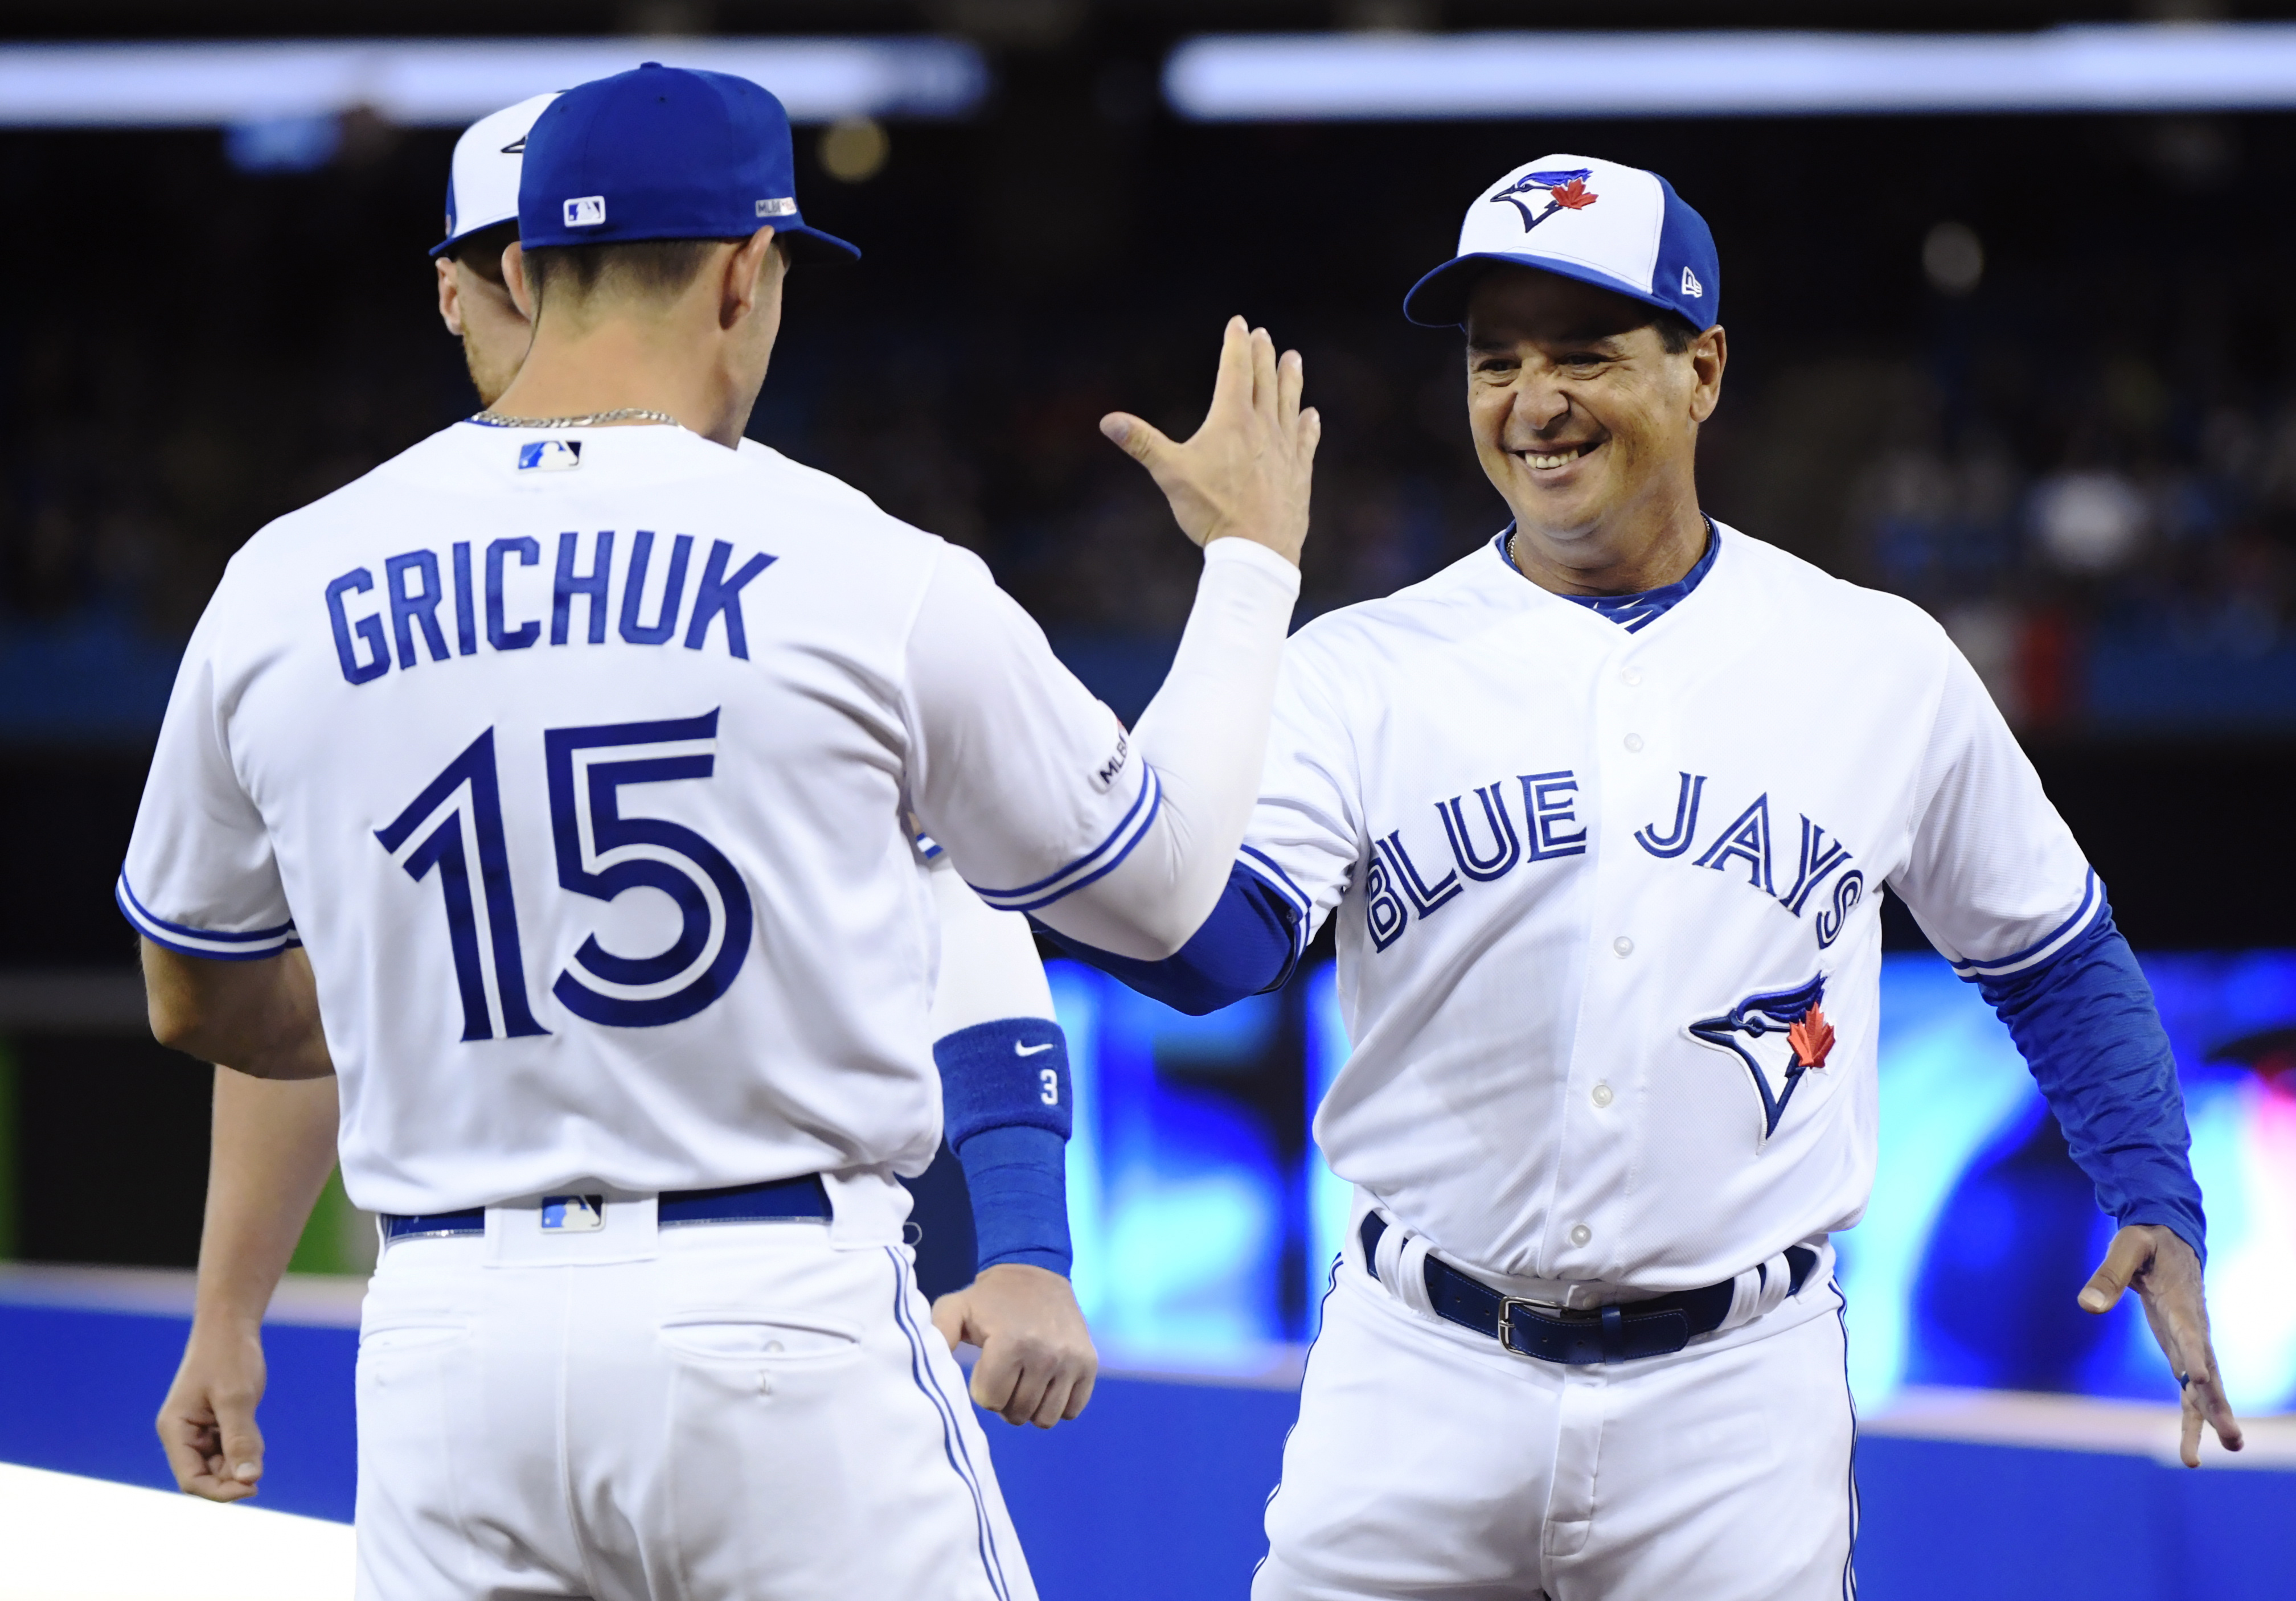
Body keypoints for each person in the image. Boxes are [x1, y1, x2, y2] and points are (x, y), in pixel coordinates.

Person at [122, 62, 1317, 1599]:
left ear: (523, 269)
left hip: (442, 1337)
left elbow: (193, 996)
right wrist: (1251, 569)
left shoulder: (282, 585)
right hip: (770, 1310)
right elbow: (1163, 900)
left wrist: (405, 1021)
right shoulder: (860, 567)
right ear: (747, 273)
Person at [1046, 154, 2242, 1600]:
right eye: (1498, 360)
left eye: (1585, 354)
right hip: (1418, 1374)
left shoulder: (1873, 659)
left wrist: (2153, 1191)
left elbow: (2052, 952)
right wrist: (1242, 579)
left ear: (1705, 370)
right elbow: (1200, 956)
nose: (1532, 402)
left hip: (1734, 1406)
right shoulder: (1361, 669)